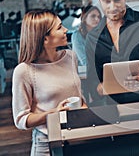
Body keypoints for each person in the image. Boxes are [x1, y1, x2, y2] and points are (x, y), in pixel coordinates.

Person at [12, 9, 87, 156]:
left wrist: (84, 107)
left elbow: (76, 95)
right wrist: (54, 113)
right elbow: (21, 120)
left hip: (76, 137)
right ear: (45, 38)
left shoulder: (70, 58)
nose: (65, 30)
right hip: (46, 143)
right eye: (59, 27)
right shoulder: (24, 71)